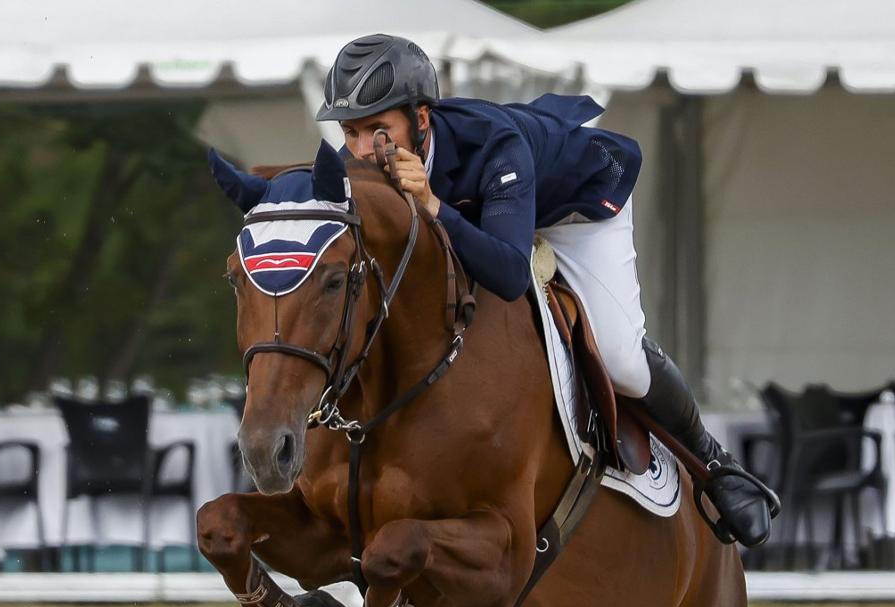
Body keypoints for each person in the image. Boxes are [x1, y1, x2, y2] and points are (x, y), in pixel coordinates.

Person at [316, 34, 775, 547]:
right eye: (350, 132)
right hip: (488, 217)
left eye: (378, 129)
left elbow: (510, 275)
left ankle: (717, 466)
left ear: (421, 118)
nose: (361, 150)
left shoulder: (494, 144)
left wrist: (434, 206)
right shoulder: (368, 161)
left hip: (575, 211)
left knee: (621, 357)